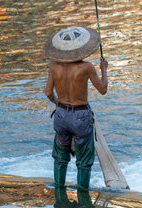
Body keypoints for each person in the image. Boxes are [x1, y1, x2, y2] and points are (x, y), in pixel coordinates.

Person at [44, 26, 108, 189]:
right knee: (84, 162)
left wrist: (58, 104)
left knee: (60, 158)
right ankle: (82, 196)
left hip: (61, 114)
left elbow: (48, 92)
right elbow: (103, 90)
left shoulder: (53, 66)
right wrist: (104, 70)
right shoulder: (86, 67)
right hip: (80, 116)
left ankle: (59, 192)